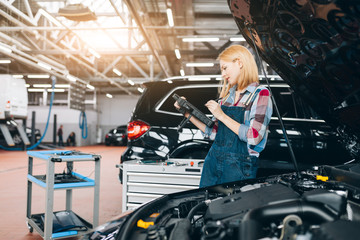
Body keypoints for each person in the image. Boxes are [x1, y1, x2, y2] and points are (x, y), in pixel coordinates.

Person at [174, 45, 273, 188]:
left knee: (234, 209)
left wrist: (221, 116)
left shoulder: (260, 94)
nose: (223, 74)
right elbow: (213, 133)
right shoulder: (226, 98)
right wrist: (186, 112)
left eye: (225, 68)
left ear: (239, 63)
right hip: (213, 162)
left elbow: (254, 136)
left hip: (238, 167)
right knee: (206, 207)